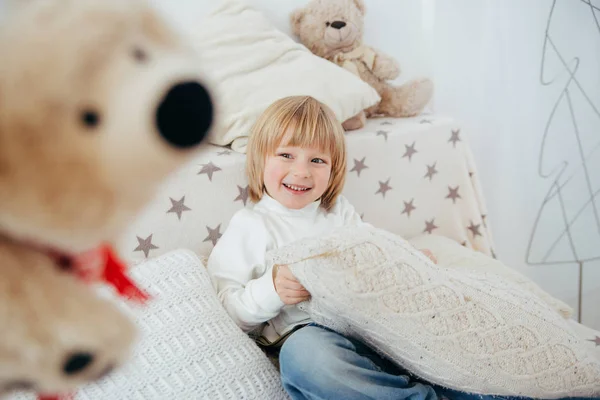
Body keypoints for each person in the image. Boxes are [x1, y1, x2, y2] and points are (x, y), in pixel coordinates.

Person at [206, 96, 549, 400]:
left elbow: (372, 249)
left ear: (333, 168)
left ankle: (496, 390)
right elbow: (228, 313)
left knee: (441, 339)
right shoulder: (251, 226)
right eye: (286, 155)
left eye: (317, 161)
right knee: (306, 358)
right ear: (260, 159)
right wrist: (272, 289)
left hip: (371, 326)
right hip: (311, 334)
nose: (302, 172)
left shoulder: (336, 213)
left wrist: (406, 260)